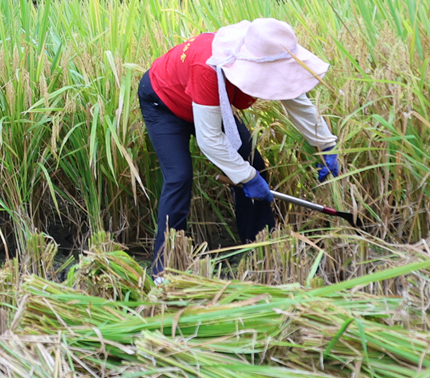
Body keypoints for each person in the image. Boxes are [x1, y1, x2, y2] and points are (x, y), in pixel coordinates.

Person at [140, 17, 342, 270]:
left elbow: (294, 96)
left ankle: (259, 249)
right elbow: (210, 139)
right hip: (165, 103)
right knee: (179, 177)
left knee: (252, 162)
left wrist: (326, 145)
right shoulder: (210, 66)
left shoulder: (265, 46)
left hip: (212, 103)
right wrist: (247, 178)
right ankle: (164, 267)